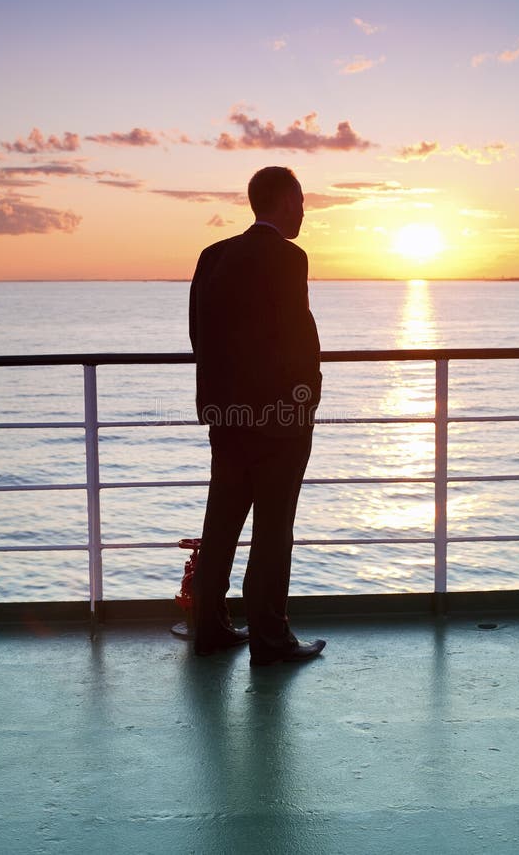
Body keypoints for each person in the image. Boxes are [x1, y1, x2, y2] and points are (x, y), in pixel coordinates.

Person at [188, 166, 326, 666]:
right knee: (273, 528)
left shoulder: (214, 255)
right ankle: (270, 637)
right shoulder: (289, 258)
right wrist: (306, 397)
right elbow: (298, 335)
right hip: (278, 421)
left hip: (225, 415)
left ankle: (210, 626)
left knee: (222, 520)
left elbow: (197, 332)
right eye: (302, 201)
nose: (305, 211)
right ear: (286, 201)